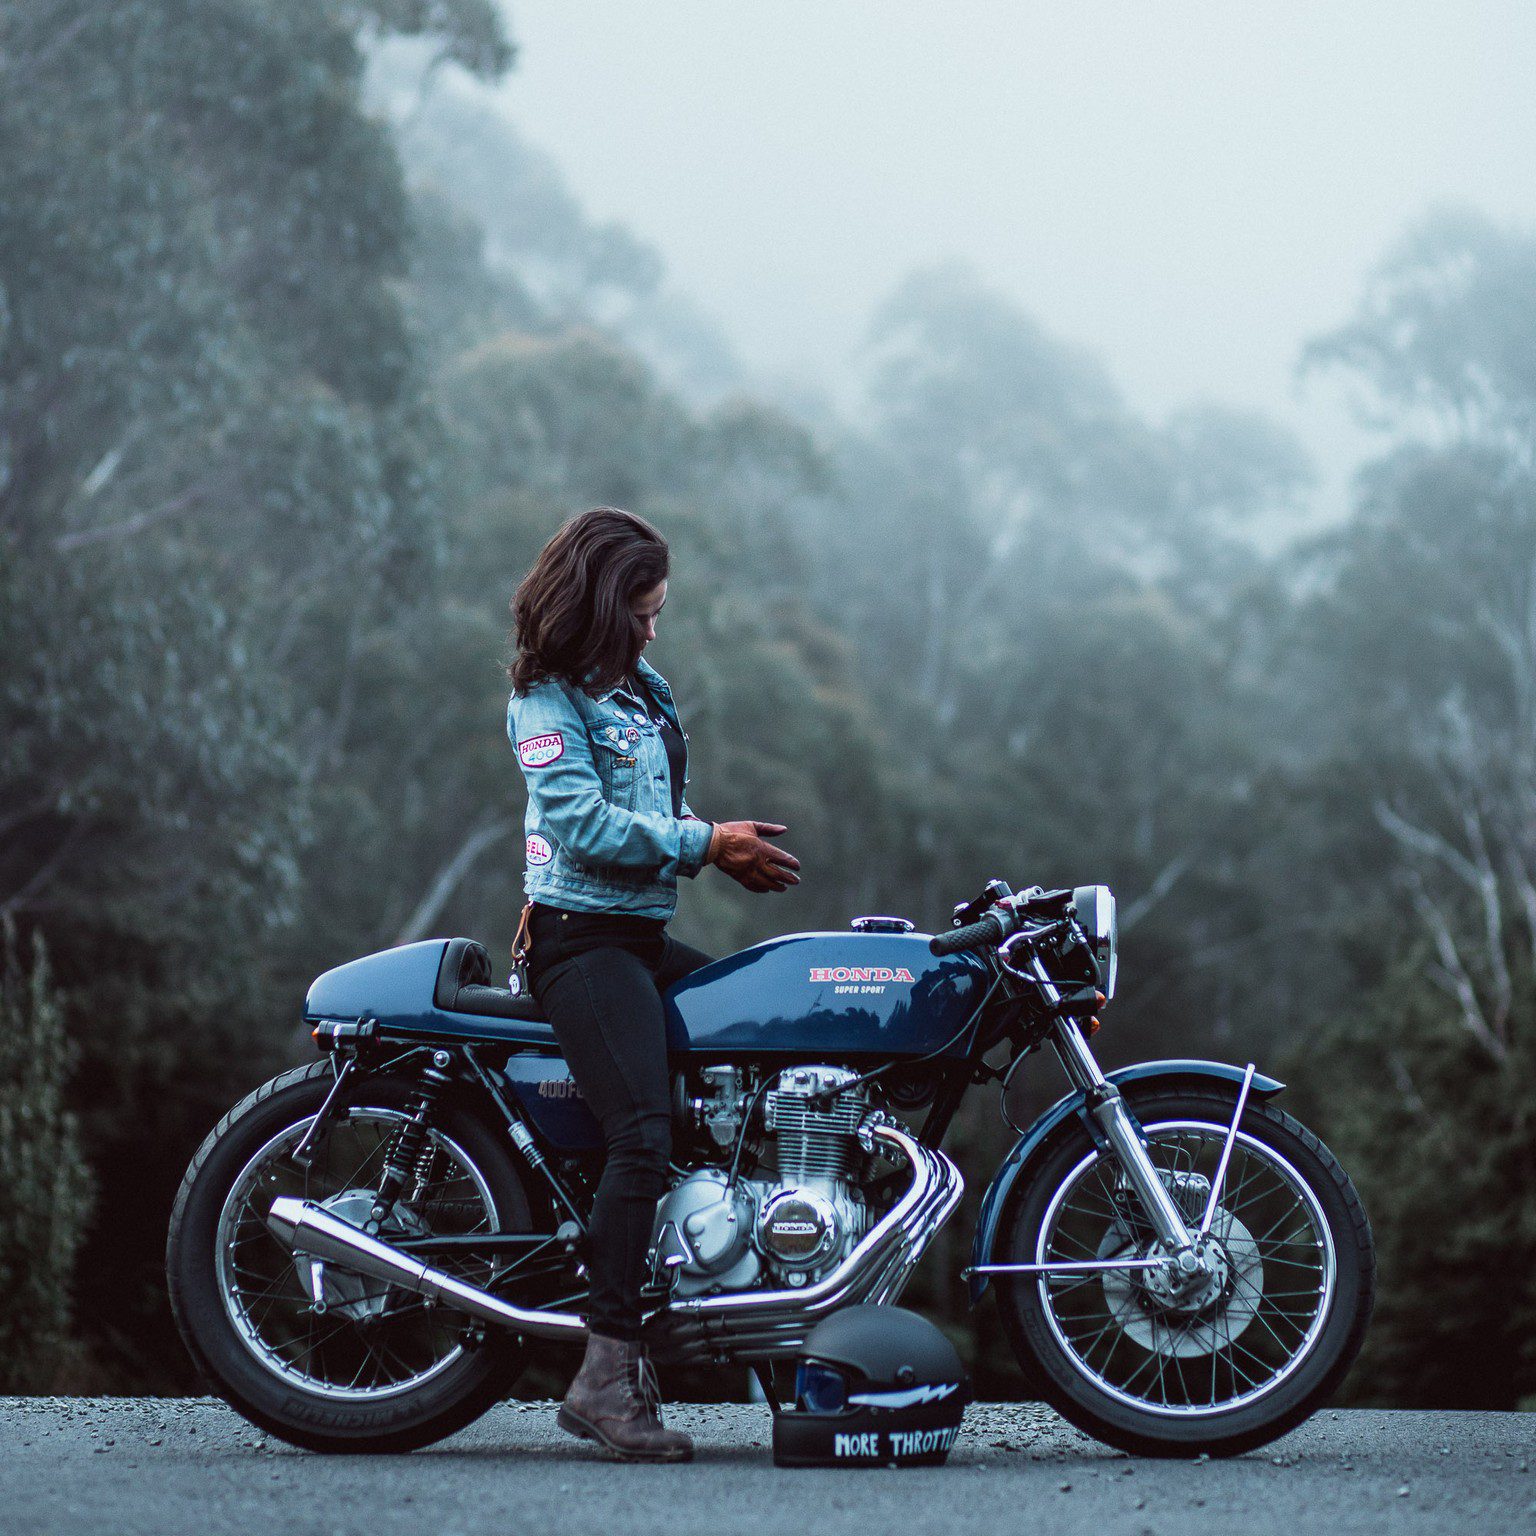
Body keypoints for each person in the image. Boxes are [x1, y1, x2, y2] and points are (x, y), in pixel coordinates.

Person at [505, 506, 801, 1462]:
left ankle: (776, 1314)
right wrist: (704, 847)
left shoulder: (644, 690)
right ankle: (603, 1375)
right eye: (642, 610)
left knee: (761, 1054)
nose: (653, 626)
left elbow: (655, 806)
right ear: (601, 604)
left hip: (634, 936)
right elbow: (583, 824)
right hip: (581, 944)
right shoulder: (544, 700)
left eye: (659, 610)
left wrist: (719, 839)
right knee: (642, 1131)